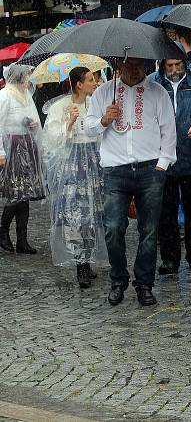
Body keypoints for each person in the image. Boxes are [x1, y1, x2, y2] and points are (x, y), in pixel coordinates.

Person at [85, 57, 177, 307]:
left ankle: (144, 284)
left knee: (149, 230)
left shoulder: (158, 93)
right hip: (116, 169)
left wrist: (162, 165)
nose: (134, 69)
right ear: (120, 65)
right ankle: (118, 280)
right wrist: (104, 120)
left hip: (149, 169)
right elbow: (88, 126)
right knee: (113, 227)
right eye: (130, 64)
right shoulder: (104, 93)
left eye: (139, 64)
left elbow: (169, 130)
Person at [42, 67, 107, 287]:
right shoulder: (61, 106)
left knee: (93, 214)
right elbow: (50, 138)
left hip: (93, 160)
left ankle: (89, 259)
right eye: (90, 80)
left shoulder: (94, 103)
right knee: (76, 214)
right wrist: (68, 123)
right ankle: (80, 264)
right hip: (72, 165)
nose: (94, 83)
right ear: (78, 84)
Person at [149, 51, 191, 275]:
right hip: (163, 156)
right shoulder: (153, 83)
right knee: (166, 210)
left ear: (184, 62)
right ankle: (169, 258)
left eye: (177, 64)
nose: (174, 70)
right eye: (169, 65)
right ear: (162, 65)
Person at [0, 64, 46, 255]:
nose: (29, 82)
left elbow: (25, 116)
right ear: (18, 79)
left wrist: (30, 123)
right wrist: (1, 152)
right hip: (12, 146)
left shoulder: (25, 95)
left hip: (26, 145)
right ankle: (2, 231)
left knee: (24, 194)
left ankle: (22, 240)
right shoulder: (4, 95)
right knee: (16, 193)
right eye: (26, 78)